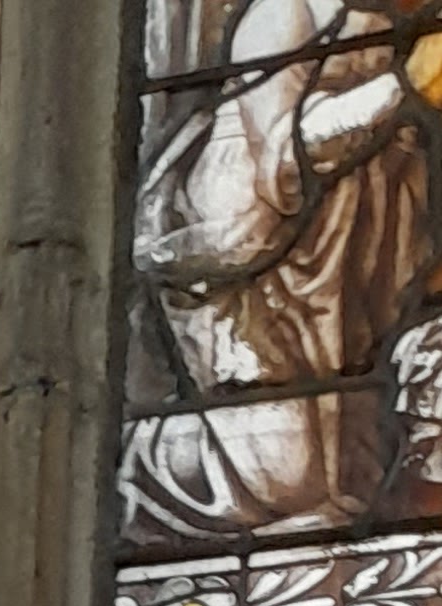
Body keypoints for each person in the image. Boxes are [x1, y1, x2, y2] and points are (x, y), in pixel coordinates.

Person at [124, 0, 442, 546]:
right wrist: (403, 85)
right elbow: (286, 158)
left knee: (359, 480)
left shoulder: (391, 27)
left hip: (353, 268)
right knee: (284, 482)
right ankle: (128, 468)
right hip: (262, 265)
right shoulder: (284, 12)